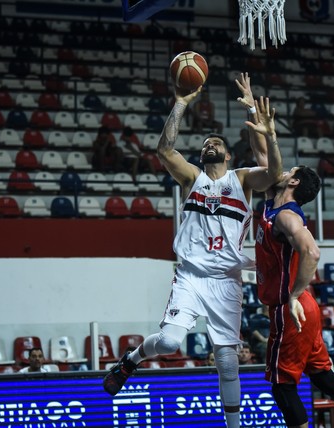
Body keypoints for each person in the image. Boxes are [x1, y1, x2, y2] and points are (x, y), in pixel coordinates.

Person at [103, 89, 282, 428]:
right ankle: (132, 360)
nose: (209, 145)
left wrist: (267, 132)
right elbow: (164, 150)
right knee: (170, 341)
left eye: (215, 142)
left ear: (228, 155)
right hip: (191, 275)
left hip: (226, 281)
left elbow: (274, 174)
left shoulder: (241, 180)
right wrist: (182, 102)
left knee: (228, 363)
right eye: (205, 144)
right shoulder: (192, 178)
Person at [255, 163, 334, 427]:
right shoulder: (272, 200)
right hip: (305, 307)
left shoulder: (286, 216)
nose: (282, 171)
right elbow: (266, 159)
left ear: (294, 183)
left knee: (281, 386)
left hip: (290, 307)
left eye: (290, 171)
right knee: (322, 375)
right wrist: (265, 128)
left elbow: (313, 252)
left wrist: (294, 295)